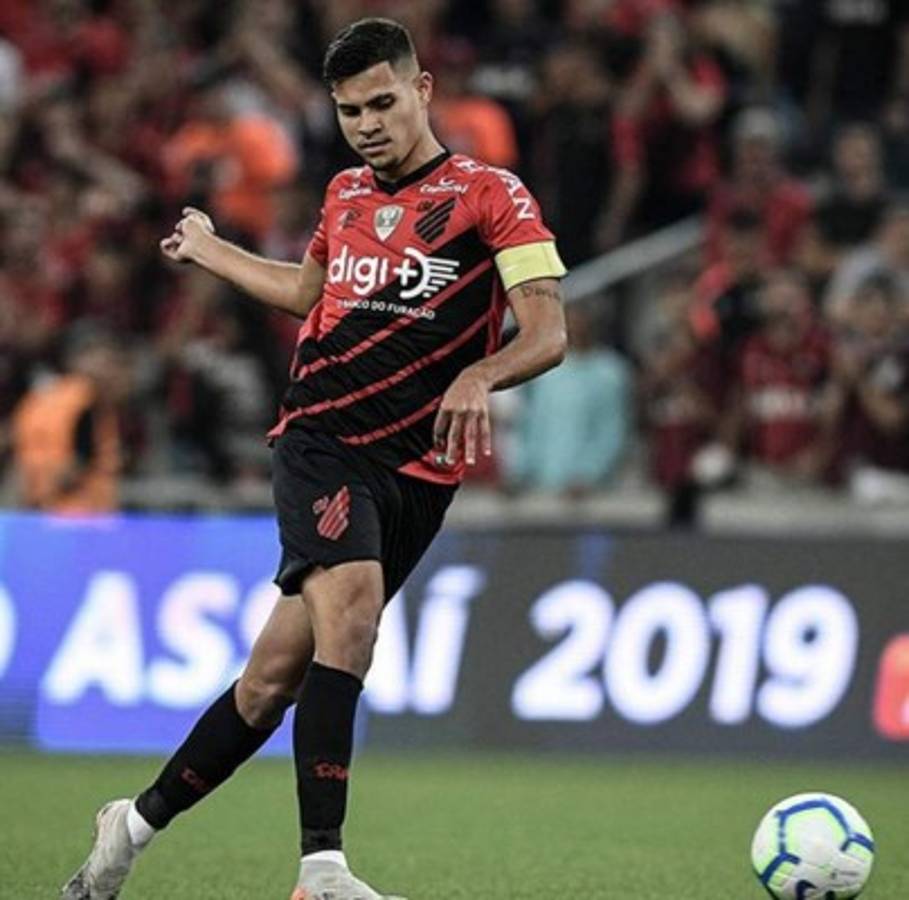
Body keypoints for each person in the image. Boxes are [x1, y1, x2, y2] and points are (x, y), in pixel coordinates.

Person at [61, 17, 567, 900]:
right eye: (348, 111)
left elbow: (548, 332)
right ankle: (321, 870)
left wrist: (480, 373)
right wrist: (212, 251)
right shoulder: (342, 195)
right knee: (354, 618)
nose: (366, 124)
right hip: (322, 441)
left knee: (268, 684)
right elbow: (309, 294)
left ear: (421, 90)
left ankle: (129, 826)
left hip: (420, 473)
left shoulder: (491, 196)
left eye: (381, 103)